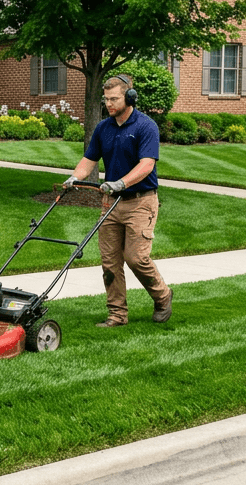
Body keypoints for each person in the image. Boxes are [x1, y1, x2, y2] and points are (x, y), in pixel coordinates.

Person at [65, 75, 172, 327]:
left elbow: (146, 164)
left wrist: (121, 183)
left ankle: (162, 295)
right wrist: (73, 178)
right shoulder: (103, 128)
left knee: (136, 258)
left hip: (140, 201)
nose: (110, 104)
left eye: (114, 99)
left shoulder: (146, 126)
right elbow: (89, 159)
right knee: (110, 262)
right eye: (106, 99)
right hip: (110, 203)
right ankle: (117, 315)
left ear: (129, 97)